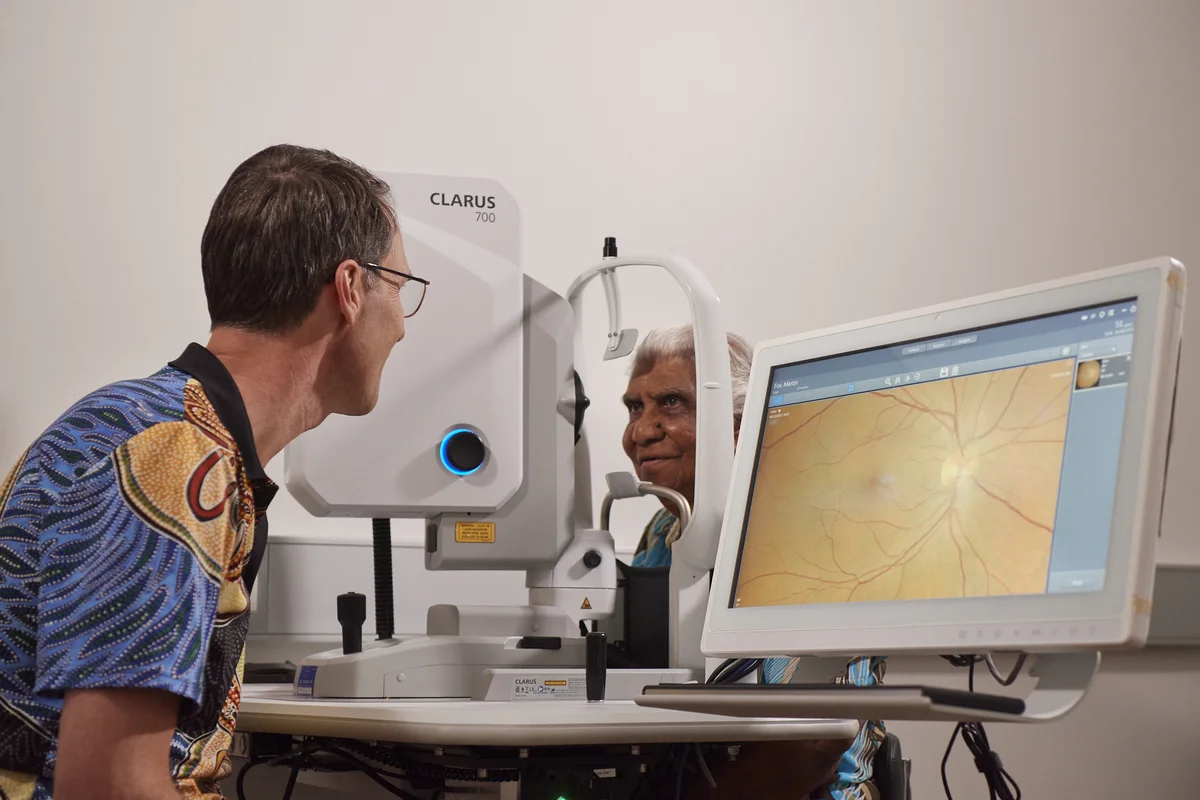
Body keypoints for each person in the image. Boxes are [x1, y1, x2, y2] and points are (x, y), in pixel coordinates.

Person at [0, 144, 424, 800]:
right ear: (348, 290)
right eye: (399, 287)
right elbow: (109, 786)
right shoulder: (174, 458)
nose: (401, 325)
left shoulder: (158, 427)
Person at [622, 325, 886, 800]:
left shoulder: (806, 538)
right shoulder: (663, 534)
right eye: (635, 407)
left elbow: (815, 743)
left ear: (739, 425)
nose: (641, 431)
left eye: (672, 403)